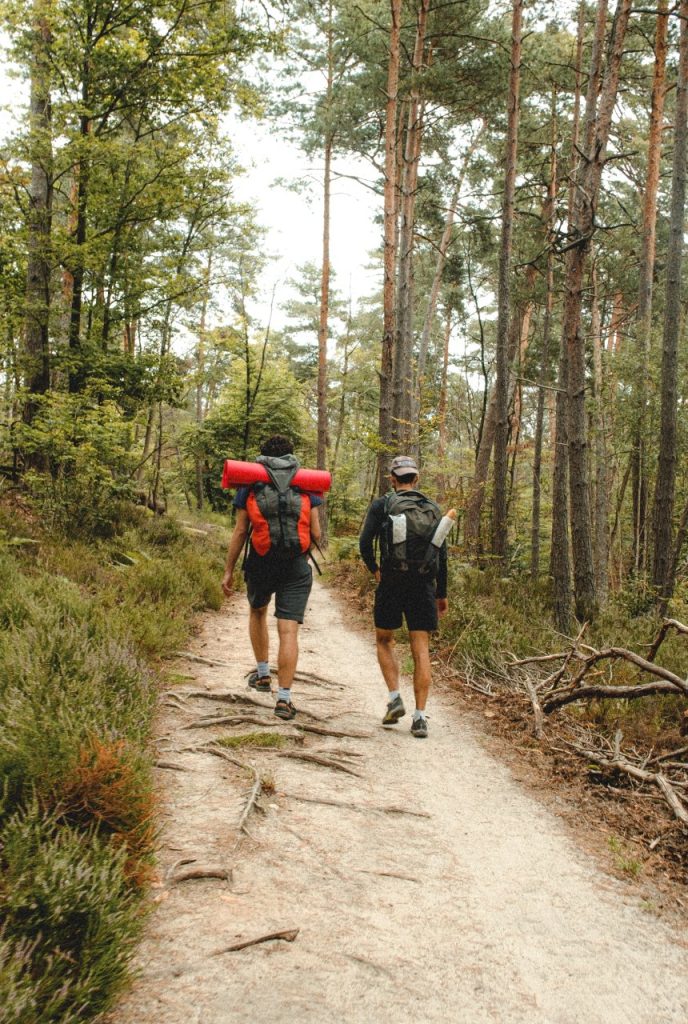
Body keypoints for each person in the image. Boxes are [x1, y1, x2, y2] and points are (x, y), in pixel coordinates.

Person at [221, 435, 322, 721]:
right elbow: (315, 533)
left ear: (261, 457)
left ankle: (263, 675)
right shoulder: (305, 481)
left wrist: (228, 569)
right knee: (288, 630)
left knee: (257, 611)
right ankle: (285, 700)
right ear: (291, 456)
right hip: (295, 566)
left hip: (261, 563)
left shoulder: (251, 482)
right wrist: (301, 554)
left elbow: (241, 531)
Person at [359, 455, 449, 738]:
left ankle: (395, 697)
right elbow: (441, 554)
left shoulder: (383, 504)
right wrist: (441, 593)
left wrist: (375, 569)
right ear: (417, 478)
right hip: (424, 585)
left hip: (391, 581)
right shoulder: (433, 509)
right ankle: (420, 718)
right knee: (420, 650)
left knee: (384, 639)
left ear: (393, 479)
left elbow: (364, 543)